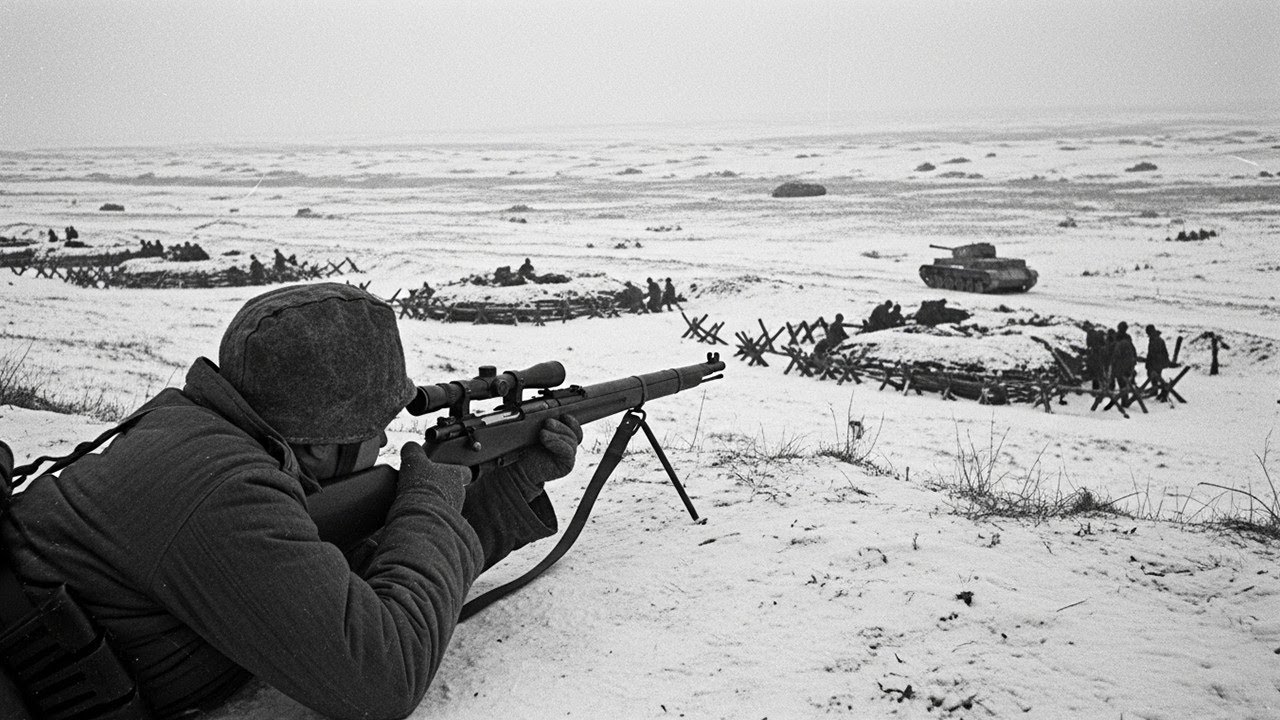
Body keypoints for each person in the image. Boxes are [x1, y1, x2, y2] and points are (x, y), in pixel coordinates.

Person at [0, 283, 580, 719]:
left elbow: (335, 586)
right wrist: (429, 500)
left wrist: (507, 486)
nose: (384, 442)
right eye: (375, 427)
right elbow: (382, 676)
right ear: (325, 444)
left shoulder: (198, 433)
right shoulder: (224, 494)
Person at [1143, 324, 1171, 399]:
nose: (1147, 334)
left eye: (1148, 333)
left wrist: (1150, 364)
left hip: (1156, 363)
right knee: (1155, 377)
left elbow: (1154, 354)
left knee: (1154, 376)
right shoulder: (1156, 339)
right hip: (1158, 363)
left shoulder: (1156, 340)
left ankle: (1162, 389)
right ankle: (1157, 390)